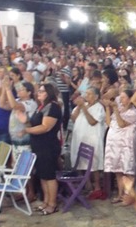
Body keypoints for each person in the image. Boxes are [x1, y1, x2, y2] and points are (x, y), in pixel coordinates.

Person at [18, 83, 62, 215]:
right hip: (39, 145)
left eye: (42, 91)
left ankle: (52, 204)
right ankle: (46, 201)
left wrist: (27, 130)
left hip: (48, 146)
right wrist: (25, 121)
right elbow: (35, 123)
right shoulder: (41, 106)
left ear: (48, 93)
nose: (39, 93)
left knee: (49, 175)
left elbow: (46, 127)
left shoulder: (53, 107)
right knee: (42, 175)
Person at [70, 86, 107, 199]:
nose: (86, 96)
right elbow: (73, 118)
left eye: (90, 94)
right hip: (80, 138)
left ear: (96, 97)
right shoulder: (83, 105)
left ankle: (97, 187)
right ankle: (87, 185)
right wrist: (78, 107)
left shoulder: (99, 107)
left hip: (92, 139)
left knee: (94, 165)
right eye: (86, 93)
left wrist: (84, 109)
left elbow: (92, 121)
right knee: (81, 162)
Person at [103, 88, 136, 203]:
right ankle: (120, 194)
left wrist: (115, 109)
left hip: (126, 145)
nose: (121, 100)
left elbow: (121, 124)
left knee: (127, 171)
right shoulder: (119, 109)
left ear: (130, 100)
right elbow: (108, 122)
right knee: (118, 171)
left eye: (123, 97)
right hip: (115, 145)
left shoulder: (133, 112)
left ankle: (128, 196)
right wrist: (108, 108)